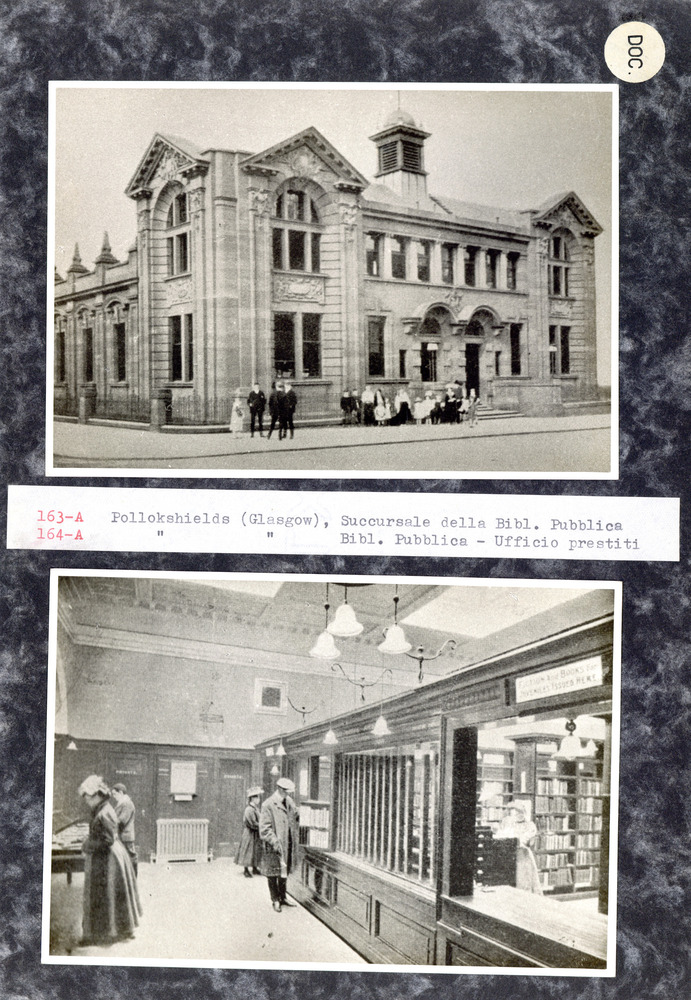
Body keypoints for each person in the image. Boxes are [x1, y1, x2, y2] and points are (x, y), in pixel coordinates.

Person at [78, 775, 142, 945]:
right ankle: (113, 930)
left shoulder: (104, 811)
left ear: (96, 795)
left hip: (108, 858)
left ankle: (101, 934)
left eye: (87, 797)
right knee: (110, 895)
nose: (86, 801)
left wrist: (87, 845)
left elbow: (107, 840)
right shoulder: (103, 808)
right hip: (110, 855)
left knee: (104, 895)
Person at [259, 776, 300, 912]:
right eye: (287, 791)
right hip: (274, 846)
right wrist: (275, 842)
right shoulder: (268, 804)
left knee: (284, 871)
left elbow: (295, 814)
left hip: (287, 843)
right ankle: (275, 899)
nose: (288, 794)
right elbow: (264, 829)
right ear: (280, 789)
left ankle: (283, 897)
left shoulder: (288, 801)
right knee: (273, 873)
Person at [493, 801, 543, 895]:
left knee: (523, 881)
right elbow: (500, 835)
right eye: (513, 811)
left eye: (519, 811)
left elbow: (526, 840)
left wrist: (516, 839)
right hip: (507, 855)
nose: (517, 814)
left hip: (522, 856)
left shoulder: (529, 825)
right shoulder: (507, 822)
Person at [235, 786, 264, 877]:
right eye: (257, 797)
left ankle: (254, 868)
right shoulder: (249, 809)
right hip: (250, 833)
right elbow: (252, 823)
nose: (258, 799)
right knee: (248, 851)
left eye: (258, 797)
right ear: (252, 798)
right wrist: (261, 826)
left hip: (256, 833)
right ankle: (246, 870)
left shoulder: (255, 808)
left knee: (255, 850)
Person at [111, 782, 138, 877]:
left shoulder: (127, 804)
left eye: (115, 794)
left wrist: (110, 821)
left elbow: (122, 820)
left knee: (131, 857)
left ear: (121, 792)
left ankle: (134, 879)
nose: (114, 796)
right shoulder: (122, 803)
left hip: (126, 836)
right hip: (122, 835)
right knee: (124, 859)